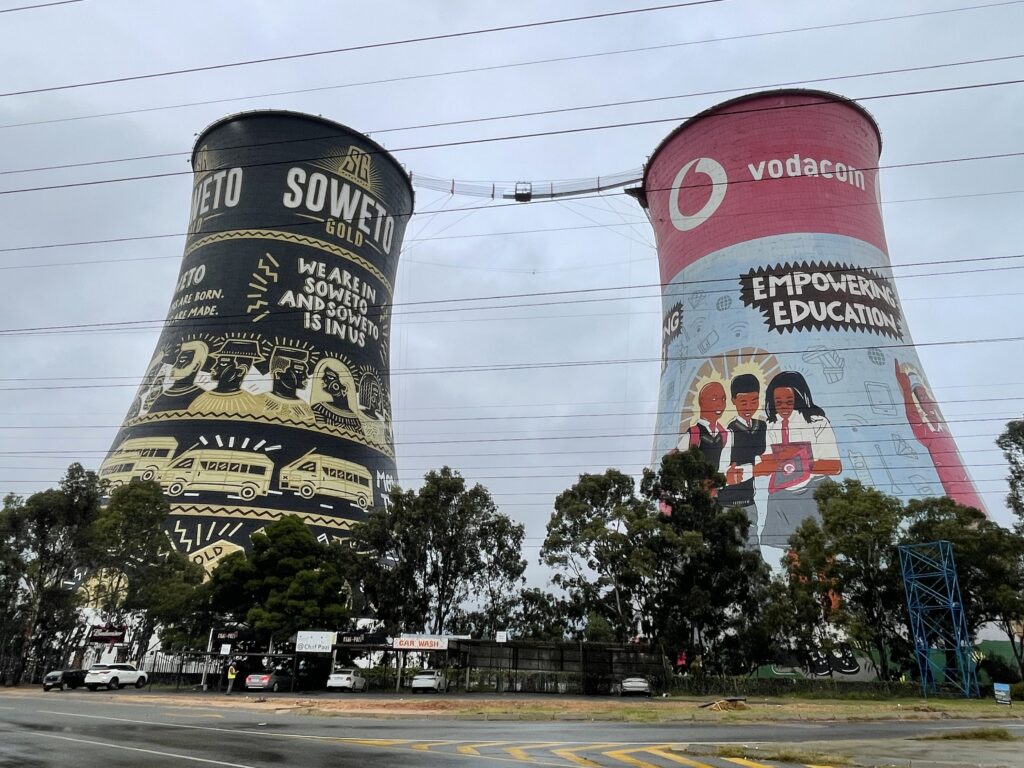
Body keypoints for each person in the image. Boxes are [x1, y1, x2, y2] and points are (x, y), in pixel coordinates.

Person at [754, 371, 841, 546]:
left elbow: (835, 466)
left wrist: (799, 459)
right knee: (793, 554)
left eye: (789, 401)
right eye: (778, 403)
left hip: (816, 491)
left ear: (800, 398)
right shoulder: (770, 426)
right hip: (783, 495)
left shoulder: (817, 422)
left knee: (823, 552)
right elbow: (768, 461)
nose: (784, 407)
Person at [895, 360, 986, 511]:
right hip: (955, 490)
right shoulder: (928, 432)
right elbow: (913, 416)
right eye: (921, 397)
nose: (926, 401)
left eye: (926, 396)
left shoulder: (943, 431)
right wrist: (906, 390)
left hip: (967, 487)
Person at [718, 374, 767, 548]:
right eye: (743, 403)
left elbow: (767, 459)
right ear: (734, 401)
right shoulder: (730, 432)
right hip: (727, 503)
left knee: (751, 549)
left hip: (749, 501)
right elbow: (722, 471)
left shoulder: (763, 427)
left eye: (754, 402)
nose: (749, 407)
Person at [190, 338, 263, 417]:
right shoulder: (200, 400)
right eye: (217, 363)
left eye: (223, 364)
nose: (213, 368)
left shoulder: (253, 404)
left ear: (241, 371)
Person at [257, 347, 316, 426]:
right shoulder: (258, 402)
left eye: (306, 372)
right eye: (299, 371)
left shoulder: (305, 410)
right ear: (278, 373)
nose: (306, 376)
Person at [149, 340, 209, 413]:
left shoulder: (201, 397)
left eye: (182, 361)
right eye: (176, 361)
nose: (174, 366)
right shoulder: (163, 396)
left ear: (196, 366)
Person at [310, 358, 364, 435]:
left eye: (330, 377)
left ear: (344, 388)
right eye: (324, 376)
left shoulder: (355, 419)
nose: (324, 379)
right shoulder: (319, 409)